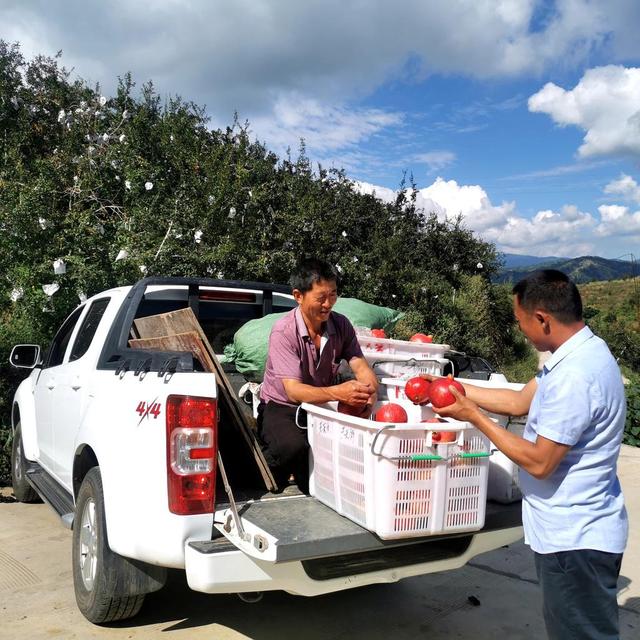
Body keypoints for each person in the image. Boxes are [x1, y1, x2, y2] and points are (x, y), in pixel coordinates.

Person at [430, 269, 628, 640]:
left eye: (520, 321)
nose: (519, 329)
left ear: (542, 318)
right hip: (578, 531)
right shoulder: (579, 353)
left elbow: (540, 462)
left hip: (575, 540)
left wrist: (472, 417)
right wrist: (452, 388)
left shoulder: (575, 376)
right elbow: (519, 401)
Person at [258, 257, 378, 493]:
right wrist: (338, 393)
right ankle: (260, 459)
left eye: (333, 295)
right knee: (292, 449)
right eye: (321, 298)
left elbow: (362, 368)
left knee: (330, 465)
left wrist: (370, 395)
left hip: (322, 406)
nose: (328, 304)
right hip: (283, 406)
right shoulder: (284, 331)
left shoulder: (341, 325)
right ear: (298, 296)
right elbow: (293, 391)